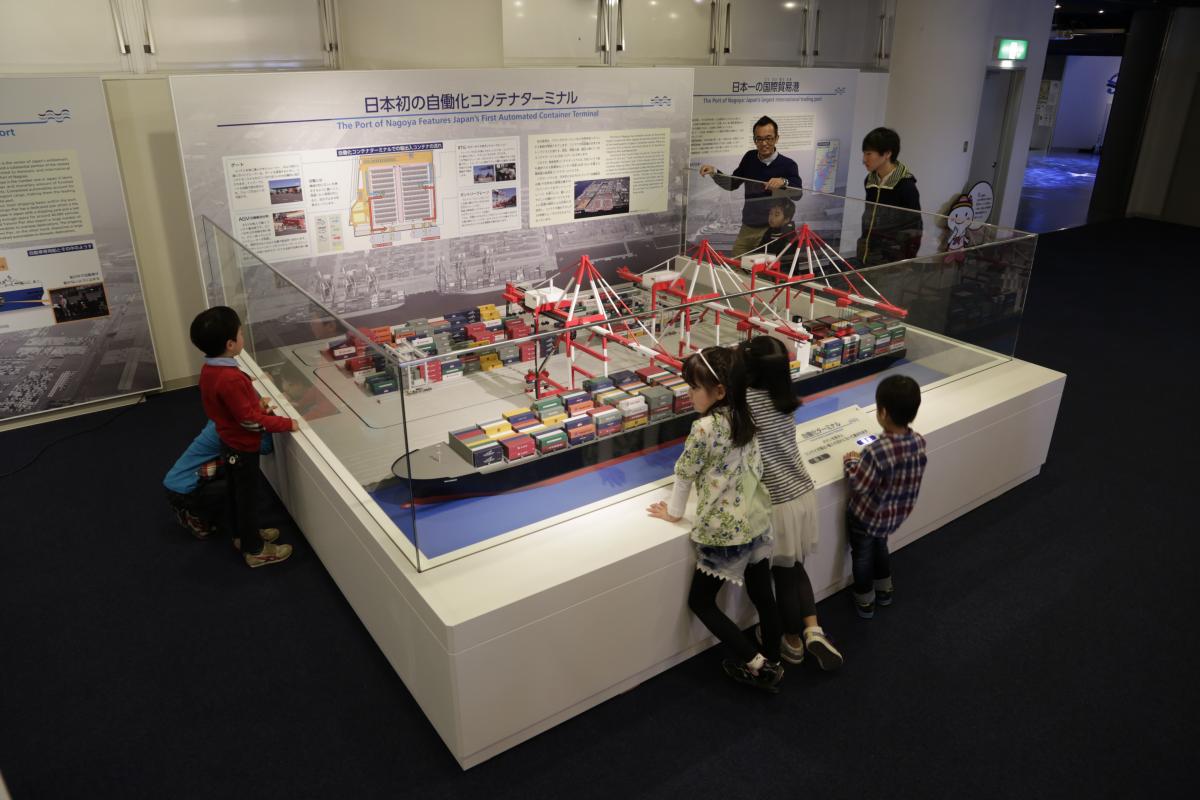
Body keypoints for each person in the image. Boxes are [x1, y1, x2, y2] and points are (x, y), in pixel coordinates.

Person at [647, 346, 784, 692]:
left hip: (725, 533)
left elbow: (684, 475)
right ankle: (775, 655)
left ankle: (758, 666)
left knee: (701, 601)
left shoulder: (704, 428)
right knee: (762, 594)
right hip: (756, 520)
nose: (689, 394)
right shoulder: (745, 414)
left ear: (719, 391)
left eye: (694, 387)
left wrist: (673, 513)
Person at [737, 336, 843, 670]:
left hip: (778, 502)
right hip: (803, 492)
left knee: (782, 576)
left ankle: (793, 642)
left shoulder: (746, 402)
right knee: (795, 566)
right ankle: (813, 630)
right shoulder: (784, 396)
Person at [190, 306, 298, 568]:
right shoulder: (230, 378)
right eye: (240, 333)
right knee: (248, 498)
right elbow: (250, 421)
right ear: (230, 344)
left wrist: (253, 406)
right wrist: (286, 423)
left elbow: (230, 408)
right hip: (242, 447)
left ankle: (243, 535)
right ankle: (256, 550)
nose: (242, 336)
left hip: (229, 442)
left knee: (237, 494)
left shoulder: (210, 370)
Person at [842, 374, 928, 618]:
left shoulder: (875, 452)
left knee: (862, 556)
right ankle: (884, 589)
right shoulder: (918, 441)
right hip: (892, 515)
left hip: (866, 517)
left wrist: (850, 462)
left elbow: (859, 484)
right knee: (881, 548)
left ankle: (865, 599)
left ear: (882, 412)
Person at [699, 115, 802, 257]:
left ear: (777, 138)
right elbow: (732, 184)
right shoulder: (749, 157)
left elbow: (798, 194)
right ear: (754, 140)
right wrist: (714, 172)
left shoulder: (788, 164)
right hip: (747, 227)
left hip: (769, 231)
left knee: (759, 269)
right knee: (735, 264)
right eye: (759, 139)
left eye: (769, 138)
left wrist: (784, 182)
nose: (764, 143)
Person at [163, 421, 277, 540]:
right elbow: (265, 447)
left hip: (177, 482)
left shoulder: (219, 420)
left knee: (234, 469)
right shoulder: (230, 430)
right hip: (183, 490)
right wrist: (267, 423)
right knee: (242, 487)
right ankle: (246, 535)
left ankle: (197, 512)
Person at [857, 127, 922, 267]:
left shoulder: (906, 185)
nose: (864, 159)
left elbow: (915, 228)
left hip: (892, 258)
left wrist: (904, 259)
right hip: (869, 251)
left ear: (887, 153)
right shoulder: (870, 180)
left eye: (869, 154)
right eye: (864, 153)